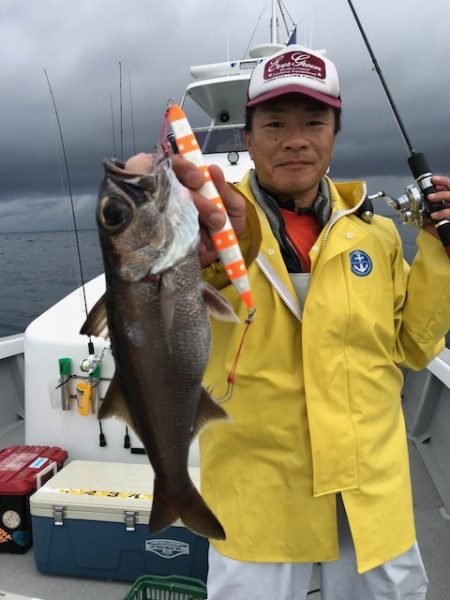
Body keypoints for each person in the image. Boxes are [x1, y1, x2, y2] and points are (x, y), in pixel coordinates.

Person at [126, 45, 450, 600]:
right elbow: (196, 276)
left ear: (334, 133)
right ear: (248, 138)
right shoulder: (209, 225)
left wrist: (441, 255)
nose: (295, 139)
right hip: (260, 492)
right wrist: (177, 241)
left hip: (369, 486)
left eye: (313, 122)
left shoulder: (375, 235)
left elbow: (413, 348)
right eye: (274, 123)